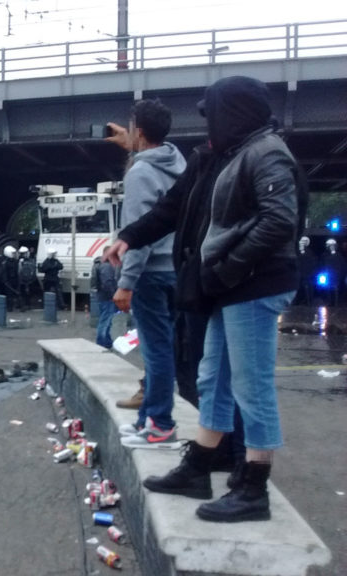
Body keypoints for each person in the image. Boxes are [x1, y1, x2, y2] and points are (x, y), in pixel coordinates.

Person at [109, 75, 305, 522]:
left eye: (213, 112)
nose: (207, 123)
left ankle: (254, 486)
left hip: (254, 285)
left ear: (233, 112)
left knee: (251, 388)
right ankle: (200, 464)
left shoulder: (266, 152)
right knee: (212, 377)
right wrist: (128, 237)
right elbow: (174, 207)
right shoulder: (218, 155)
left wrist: (228, 265)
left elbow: (279, 221)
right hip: (223, 285)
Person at [107, 98, 186, 448]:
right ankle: (147, 420)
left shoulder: (140, 173)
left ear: (138, 131)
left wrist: (126, 283)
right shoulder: (179, 162)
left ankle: (160, 425)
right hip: (177, 269)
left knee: (156, 351)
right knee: (165, 347)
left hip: (151, 273)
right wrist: (133, 145)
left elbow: (139, 233)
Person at [91, 250, 119, 349]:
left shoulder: (100, 264)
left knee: (106, 319)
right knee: (105, 321)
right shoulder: (107, 266)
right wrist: (114, 295)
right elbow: (107, 283)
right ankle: (101, 342)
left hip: (102, 296)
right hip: (108, 297)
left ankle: (107, 341)